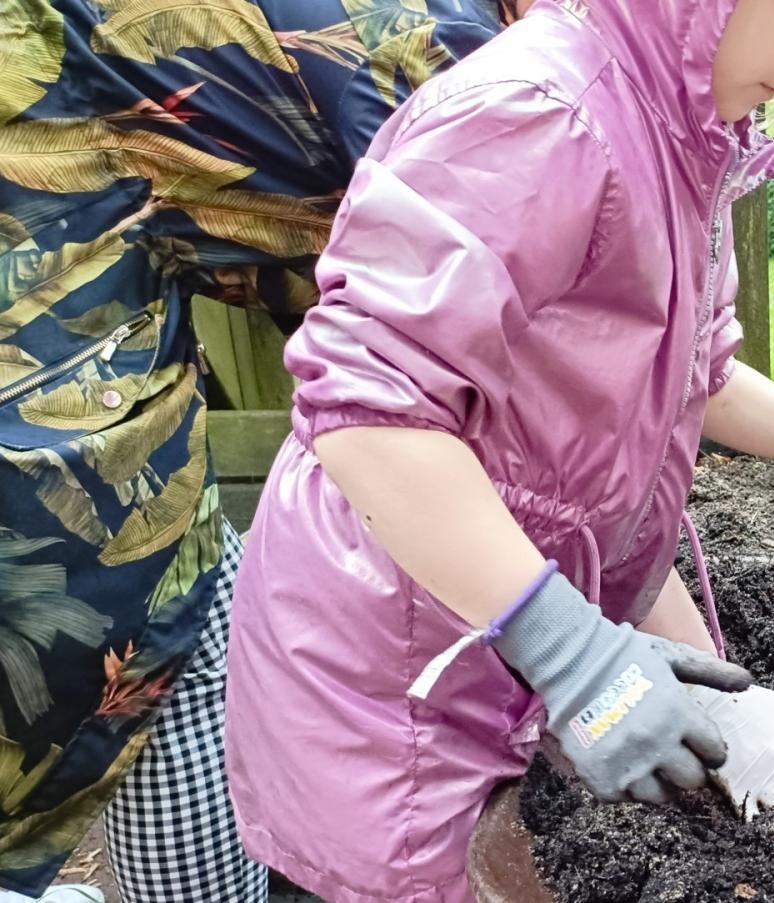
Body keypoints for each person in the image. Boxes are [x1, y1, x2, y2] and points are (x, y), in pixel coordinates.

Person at [221, 0, 774, 900]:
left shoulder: (676, 133)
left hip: (496, 626)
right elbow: (372, 411)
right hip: (393, 679)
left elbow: (692, 369)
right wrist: (575, 653)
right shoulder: (542, 116)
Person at [0, 0, 510, 899]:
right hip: (49, 436)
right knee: (164, 618)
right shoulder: (447, 68)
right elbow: (482, 391)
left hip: (84, 320)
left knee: (194, 626)